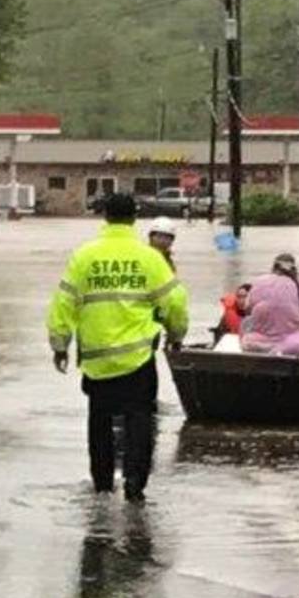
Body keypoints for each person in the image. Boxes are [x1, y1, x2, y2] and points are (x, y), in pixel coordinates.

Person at [48, 193, 188, 501]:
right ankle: (135, 485)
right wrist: (176, 334)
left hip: (97, 360)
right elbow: (175, 301)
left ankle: (101, 485)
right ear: (134, 218)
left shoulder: (84, 256)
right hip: (138, 358)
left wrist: (60, 344)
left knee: (99, 420)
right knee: (139, 419)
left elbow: (63, 303)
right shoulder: (149, 258)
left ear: (105, 217)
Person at [242, 253, 299, 356]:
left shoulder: (259, 281)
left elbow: (247, 309)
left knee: (246, 322)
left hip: (258, 344)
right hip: (292, 345)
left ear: (274, 267)